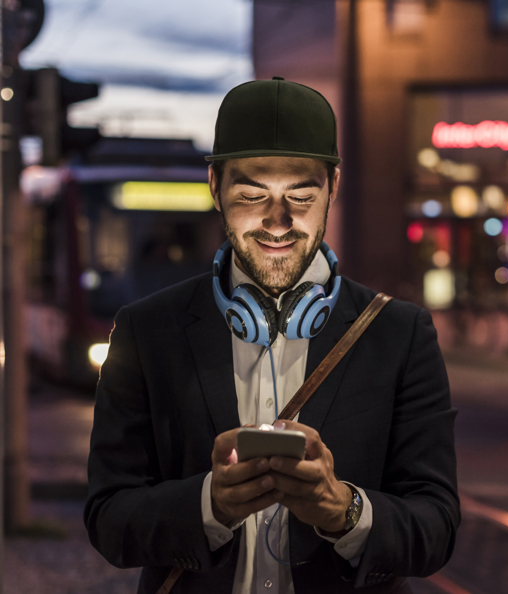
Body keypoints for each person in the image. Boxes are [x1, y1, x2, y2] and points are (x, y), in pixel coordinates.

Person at [84, 77, 460, 594]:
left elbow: (437, 527)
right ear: (214, 186)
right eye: (252, 194)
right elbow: (108, 518)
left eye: (301, 195)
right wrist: (208, 505)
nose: (278, 222)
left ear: (333, 186)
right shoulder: (145, 330)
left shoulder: (401, 334)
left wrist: (345, 511)